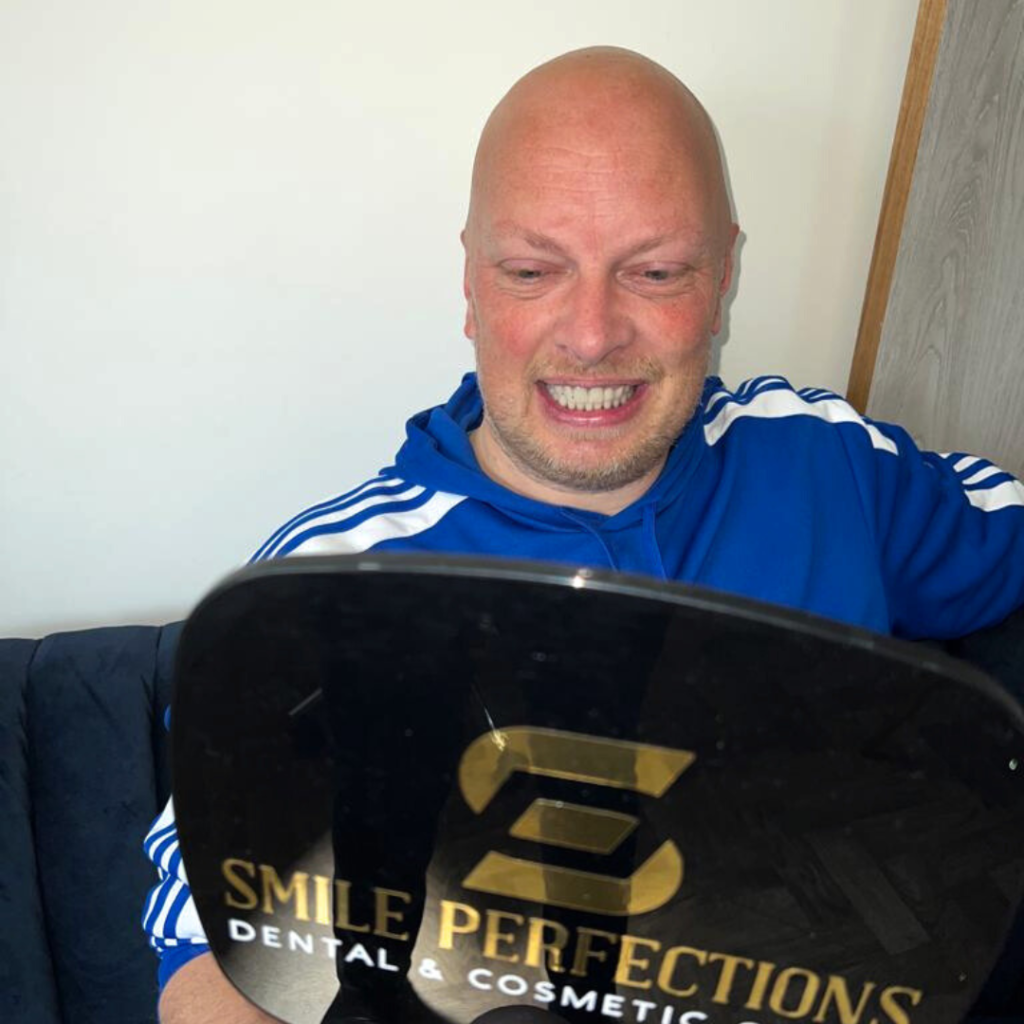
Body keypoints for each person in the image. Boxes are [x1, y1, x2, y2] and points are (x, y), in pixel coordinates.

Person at [146, 46, 1024, 1022]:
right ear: (473, 285)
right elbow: (212, 965)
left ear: (725, 273)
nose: (594, 333)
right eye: (532, 270)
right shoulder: (321, 591)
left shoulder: (831, 464)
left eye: (654, 270)